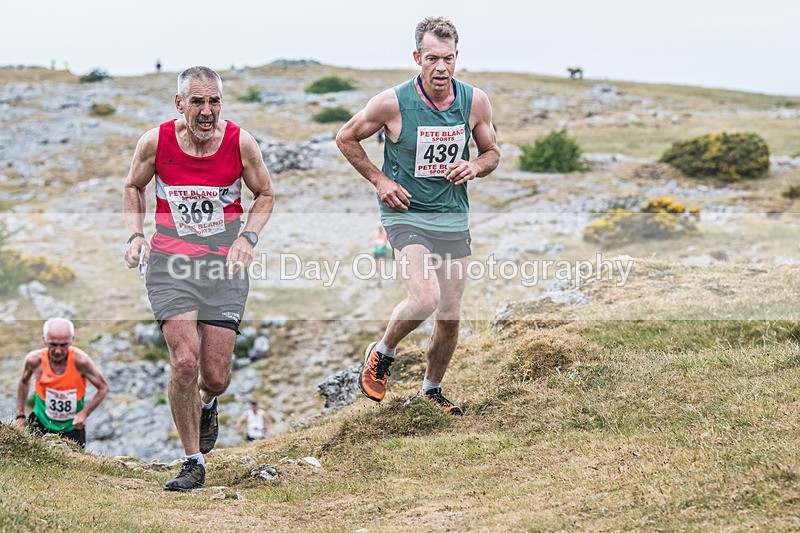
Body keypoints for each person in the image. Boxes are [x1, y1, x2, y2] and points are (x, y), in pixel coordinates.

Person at [336, 17, 500, 415]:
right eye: (432, 58)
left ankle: (432, 390)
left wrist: (474, 167)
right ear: (417, 57)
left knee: (450, 316)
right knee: (425, 298)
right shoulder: (391, 102)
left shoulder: (474, 101)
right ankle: (383, 352)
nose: (441, 68)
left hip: (451, 216)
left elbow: (492, 153)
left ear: (457, 57)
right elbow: (345, 137)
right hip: (405, 213)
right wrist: (380, 181)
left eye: (448, 58)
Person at [122, 65, 275, 491]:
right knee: (184, 361)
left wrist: (248, 237)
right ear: (179, 104)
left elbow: (265, 194)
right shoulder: (156, 142)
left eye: (214, 101)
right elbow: (133, 186)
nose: (206, 111)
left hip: (224, 267)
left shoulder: (240, 142)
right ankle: (192, 461)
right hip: (171, 264)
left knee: (215, 376)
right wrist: (136, 235)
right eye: (197, 102)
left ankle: (208, 404)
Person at [15, 318, 109, 448]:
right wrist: (20, 415)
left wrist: (84, 413)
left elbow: (103, 387)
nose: (58, 351)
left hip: (72, 429)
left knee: (75, 467)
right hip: (40, 423)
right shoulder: (34, 361)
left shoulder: (81, 362)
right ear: (44, 340)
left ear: (72, 340)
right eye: (53, 345)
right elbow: (23, 382)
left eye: (63, 345)